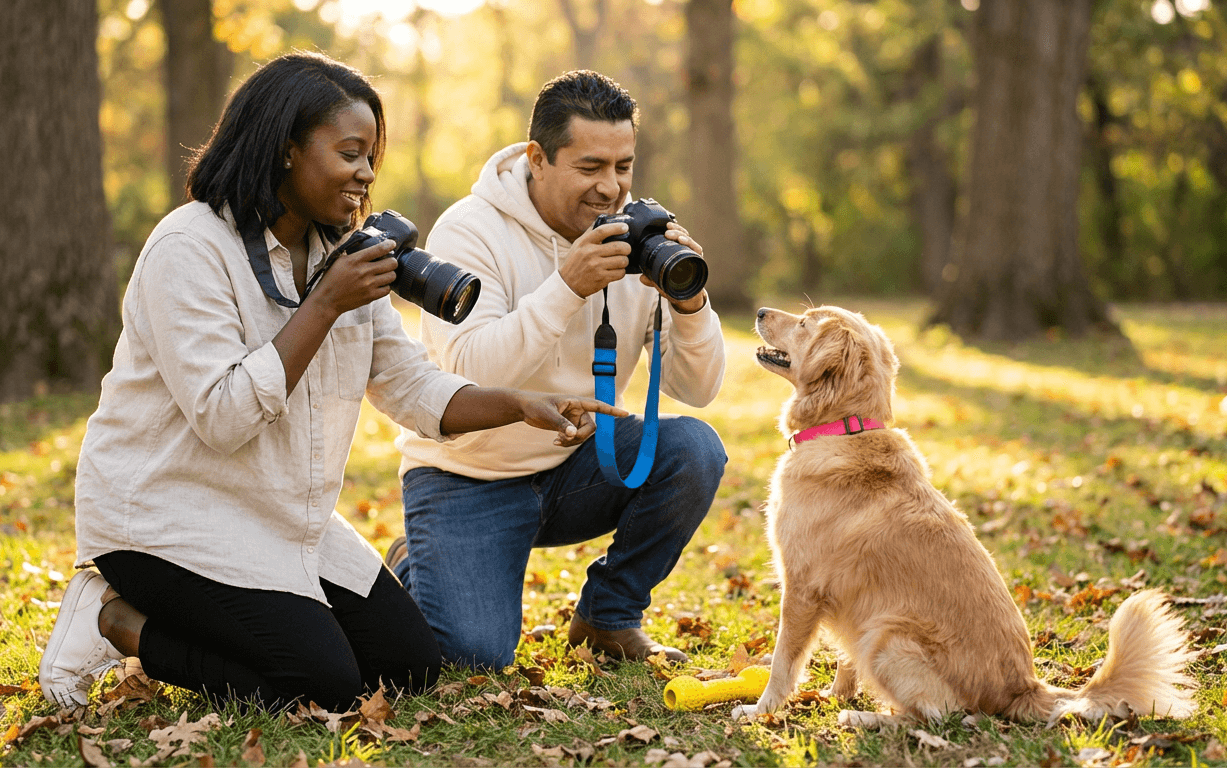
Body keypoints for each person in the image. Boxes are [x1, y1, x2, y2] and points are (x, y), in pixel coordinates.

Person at [37, 52, 625, 712]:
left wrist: (519, 405)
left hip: (280, 516)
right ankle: (114, 621)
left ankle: (211, 619)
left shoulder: (340, 253)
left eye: (372, 155)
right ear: (287, 147)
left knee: (408, 669)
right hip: (163, 518)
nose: (366, 174)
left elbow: (409, 384)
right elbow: (224, 416)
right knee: (323, 686)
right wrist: (324, 304)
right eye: (350, 152)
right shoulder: (191, 247)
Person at [389, 70, 728, 670]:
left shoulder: (631, 238)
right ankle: (418, 560)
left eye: (623, 166)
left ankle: (608, 617)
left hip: (580, 466)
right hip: (468, 477)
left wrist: (689, 304)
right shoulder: (470, 231)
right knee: (470, 657)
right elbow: (468, 369)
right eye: (591, 167)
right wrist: (567, 285)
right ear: (537, 158)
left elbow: (697, 390)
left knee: (694, 449)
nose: (611, 188)